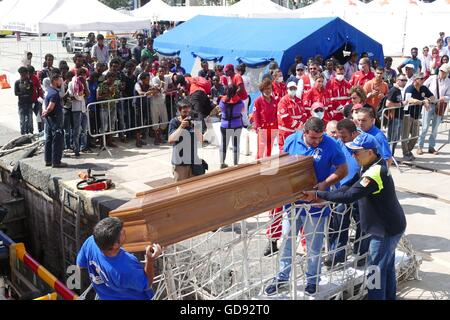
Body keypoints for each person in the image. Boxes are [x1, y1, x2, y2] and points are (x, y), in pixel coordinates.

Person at [301, 133, 407, 300]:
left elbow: (350, 195)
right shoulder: (372, 165)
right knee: (385, 269)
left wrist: (317, 194)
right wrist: (322, 194)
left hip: (384, 231)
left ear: (370, 152)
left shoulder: (374, 172)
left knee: (375, 273)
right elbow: (349, 186)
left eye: (357, 152)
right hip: (391, 226)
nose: (353, 155)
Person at [264, 117, 347, 296]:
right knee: (286, 242)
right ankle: (281, 278)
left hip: (316, 204)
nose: (317, 142)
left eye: (320, 138)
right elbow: (281, 164)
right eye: (313, 138)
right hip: (292, 204)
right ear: (304, 132)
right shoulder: (291, 140)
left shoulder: (331, 144)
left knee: (314, 246)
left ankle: (312, 280)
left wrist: (324, 184)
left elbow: (343, 169)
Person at [76, 217, 162, 300]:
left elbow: (80, 265)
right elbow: (147, 283)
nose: (125, 231)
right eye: (122, 232)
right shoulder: (125, 269)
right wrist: (150, 260)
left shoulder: (91, 242)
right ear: (115, 245)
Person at [325, 119, 371, 268]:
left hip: (361, 185)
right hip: (342, 188)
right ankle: (337, 254)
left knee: (362, 220)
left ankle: (361, 253)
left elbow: (380, 161)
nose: (340, 139)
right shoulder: (339, 143)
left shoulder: (367, 141)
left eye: (343, 136)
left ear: (354, 133)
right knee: (338, 219)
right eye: (338, 135)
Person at [168, 99, 205, 182]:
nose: (187, 114)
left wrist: (195, 127)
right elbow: (170, 140)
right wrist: (181, 127)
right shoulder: (174, 122)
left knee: (194, 189)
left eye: (189, 112)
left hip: (193, 162)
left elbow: (202, 141)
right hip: (180, 164)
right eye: (184, 112)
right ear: (179, 111)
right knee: (180, 189)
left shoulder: (194, 122)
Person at [418, 64, 450, 155]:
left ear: (447, 73)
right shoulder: (432, 78)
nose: (442, 73)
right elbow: (423, 88)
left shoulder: (448, 82)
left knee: (435, 128)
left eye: (444, 71)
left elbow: (449, 95)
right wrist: (425, 99)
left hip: (439, 105)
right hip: (429, 104)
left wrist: (445, 98)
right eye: (441, 71)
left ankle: (431, 147)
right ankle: (420, 146)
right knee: (424, 127)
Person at [402, 73, 435, 161]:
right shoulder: (410, 88)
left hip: (416, 116)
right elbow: (409, 100)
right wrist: (421, 102)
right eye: (420, 79)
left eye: (423, 78)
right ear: (415, 80)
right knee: (405, 136)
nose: (422, 80)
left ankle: (408, 151)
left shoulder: (423, 88)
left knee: (415, 136)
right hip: (407, 115)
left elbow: (432, 97)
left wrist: (427, 100)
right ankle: (405, 153)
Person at [42, 73, 67, 168]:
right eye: (60, 80)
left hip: (49, 119)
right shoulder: (55, 93)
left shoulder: (48, 90)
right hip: (55, 119)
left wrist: (45, 113)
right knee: (57, 139)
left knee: (49, 139)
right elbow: (51, 107)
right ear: (55, 81)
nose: (61, 82)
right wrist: (46, 112)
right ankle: (56, 162)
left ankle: (48, 160)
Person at [219, 86, 245, 169]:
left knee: (223, 144)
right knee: (236, 145)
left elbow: (220, 109)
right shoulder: (240, 102)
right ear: (235, 91)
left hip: (224, 125)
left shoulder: (222, 102)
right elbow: (243, 112)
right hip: (236, 125)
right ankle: (235, 164)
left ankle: (222, 163)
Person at [253, 78, 278, 160]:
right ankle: (258, 167)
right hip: (263, 129)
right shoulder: (258, 101)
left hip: (273, 128)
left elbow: (276, 114)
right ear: (262, 89)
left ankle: (267, 165)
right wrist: (258, 127)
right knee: (260, 150)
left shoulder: (274, 100)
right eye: (266, 88)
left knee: (269, 150)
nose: (268, 90)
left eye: (269, 88)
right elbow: (255, 115)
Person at [277, 82, 306, 151]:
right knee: (284, 150)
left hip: (297, 131)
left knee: (295, 149)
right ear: (287, 89)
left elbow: (304, 114)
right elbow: (284, 117)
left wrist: (301, 123)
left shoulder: (299, 100)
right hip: (286, 132)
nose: (293, 90)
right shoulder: (283, 101)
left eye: (294, 88)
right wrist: (298, 124)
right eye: (291, 88)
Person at [384, 74, 408, 157]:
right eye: (402, 80)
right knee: (392, 138)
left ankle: (391, 155)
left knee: (396, 138)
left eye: (405, 80)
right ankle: (388, 156)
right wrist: (401, 104)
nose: (404, 82)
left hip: (399, 117)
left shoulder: (399, 90)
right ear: (397, 80)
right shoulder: (393, 90)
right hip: (394, 117)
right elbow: (388, 103)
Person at [68, 68, 90, 157]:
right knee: (76, 130)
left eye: (84, 75)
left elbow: (88, 94)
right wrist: (79, 96)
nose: (83, 76)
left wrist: (84, 83)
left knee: (84, 130)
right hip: (76, 109)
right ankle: (76, 149)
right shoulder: (72, 83)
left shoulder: (85, 83)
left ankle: (83, 147)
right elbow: (71, 96)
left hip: (83, 108)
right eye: (81, 74)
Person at [97, 72, 120, 148]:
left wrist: (116, 93)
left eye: (114, 79)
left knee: (112, 125)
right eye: (111, 79)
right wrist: (109, 92)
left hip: (113, 106)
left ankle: (110, 141)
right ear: (107, 78)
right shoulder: (102, 85)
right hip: (104, 108)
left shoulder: (115, 85)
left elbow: (116, 96)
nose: (112, 80)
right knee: (104, 126)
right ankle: (102, 143)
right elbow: (98, 97)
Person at [134, 72, 154, 148]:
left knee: (144, 122)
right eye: (147, 80)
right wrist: (148, 93)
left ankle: (141, 139)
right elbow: (140, 93)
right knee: (138, 123)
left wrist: (155, 89)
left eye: (149, 79)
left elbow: (153, 89)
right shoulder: (137, 84)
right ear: (142, 79)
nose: (148, 81)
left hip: (145, 105)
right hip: (138, 105)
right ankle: (137, 140)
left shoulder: (148, 85)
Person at [151, 67, 171, 145]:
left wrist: (169, 89)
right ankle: (156, 138)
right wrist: (162, 84)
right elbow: (159, 89)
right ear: (157, 72)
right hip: (154, 102)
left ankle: (159, 136)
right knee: (155, 120)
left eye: (163, 71)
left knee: (165, 121)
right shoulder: (154, 79)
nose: (161, 73)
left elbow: (171, 85)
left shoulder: (167, 77)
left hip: (162, 102)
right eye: (160, 71)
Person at [14, 67, 34, 135]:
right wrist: (23, 94)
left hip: (29, 103)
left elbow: (32, 92)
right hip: (21, 104)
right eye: (22, 74)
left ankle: (30, 133)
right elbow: (16, 93)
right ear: (20, 74)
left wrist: (27, 88)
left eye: (25, 74)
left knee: (30, 120)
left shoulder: (30, 82)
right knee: (22, 120)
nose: (24, 76)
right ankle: (23, 134)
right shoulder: (17, 82)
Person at [28, 66, 44, 133]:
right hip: (28, 102)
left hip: (35, 101)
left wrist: (39, 97)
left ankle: (40, 130)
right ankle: (30, 132)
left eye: (31, 73)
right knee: (29, 118)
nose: (30, 75)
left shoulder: (35, 78)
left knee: (38, 117)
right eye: (29, 73)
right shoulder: (25, 79)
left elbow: (39, 88)